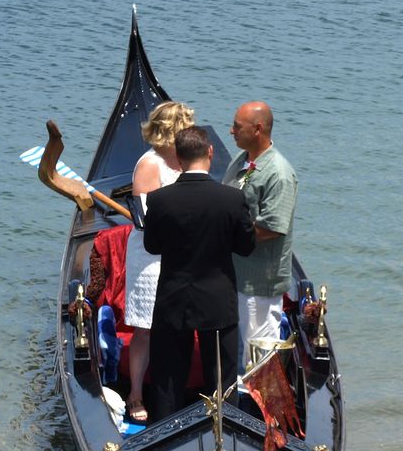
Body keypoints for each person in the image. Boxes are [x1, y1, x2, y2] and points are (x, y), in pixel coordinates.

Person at [143, 125, 256, 420]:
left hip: (173, 297)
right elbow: (246, 247)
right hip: (218, 298)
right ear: (210, 153)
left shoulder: (159, 200)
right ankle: (226, 430)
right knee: (222, 380)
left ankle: (166, 434)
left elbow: (153, 246)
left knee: (168, 378)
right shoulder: (231, 199)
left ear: (178, 159)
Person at [123, 100, 195, 421]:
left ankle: (172, 390)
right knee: (145, 329)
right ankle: (136, 394)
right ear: (172, 131)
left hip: (181, 253)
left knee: (176, 325)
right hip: (151, 256)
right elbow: (147, 220)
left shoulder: (184, 162)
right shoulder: (150, 164)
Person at [222, 101, 298, 369]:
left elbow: (272, 228)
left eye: (237, 126)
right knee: (237, 347)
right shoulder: (240, 161)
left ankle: (256, 407)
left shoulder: (279, 173)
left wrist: (225, 237)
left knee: (257, 355)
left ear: (257, 129)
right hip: (234, 273)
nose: (231, 131)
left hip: (259, 281)